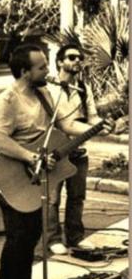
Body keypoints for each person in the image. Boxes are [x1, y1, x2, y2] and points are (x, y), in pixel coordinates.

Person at [0, 44, 112, 279]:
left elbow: (65, 126)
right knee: (17, 235)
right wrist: (30, 157)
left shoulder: (43, 93)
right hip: (12, 173)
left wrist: (97, 128)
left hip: (36, 175)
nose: (48, 69)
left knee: (33, 231)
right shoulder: (9, 99)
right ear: (24, 71)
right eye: (42, 66)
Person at [47, 44, 103, 255]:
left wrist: (104, 125)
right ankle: (52, 238)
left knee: (77, 196)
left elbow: (93, 117)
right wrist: (94, 129)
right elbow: (63, 124)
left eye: (80, 57)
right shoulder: (49, 88)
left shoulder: (83, 88)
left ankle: (75, 237)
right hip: (56, 150)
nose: (77, 61)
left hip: (79, 150)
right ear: (60, 62)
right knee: (52, 198)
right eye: (71, 57)